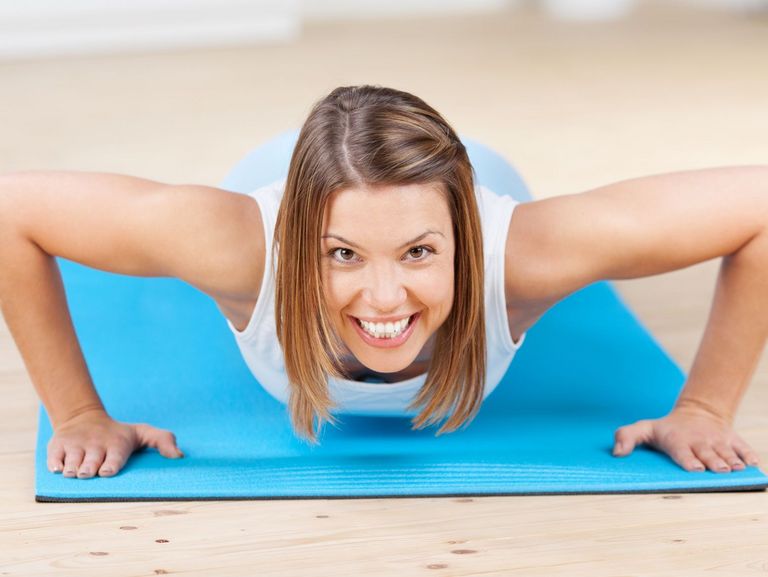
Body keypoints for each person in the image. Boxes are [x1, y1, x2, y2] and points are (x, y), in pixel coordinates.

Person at [0, 85, 765, 481]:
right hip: (287, 167)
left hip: (467, 166)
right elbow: (11, 211)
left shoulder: (520, 259)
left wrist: (703, 407)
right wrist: (76, 415)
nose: (385, 299)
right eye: (341, 257)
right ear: (299, 246)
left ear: (465, 243)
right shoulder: (237, 250)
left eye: (420, 256)